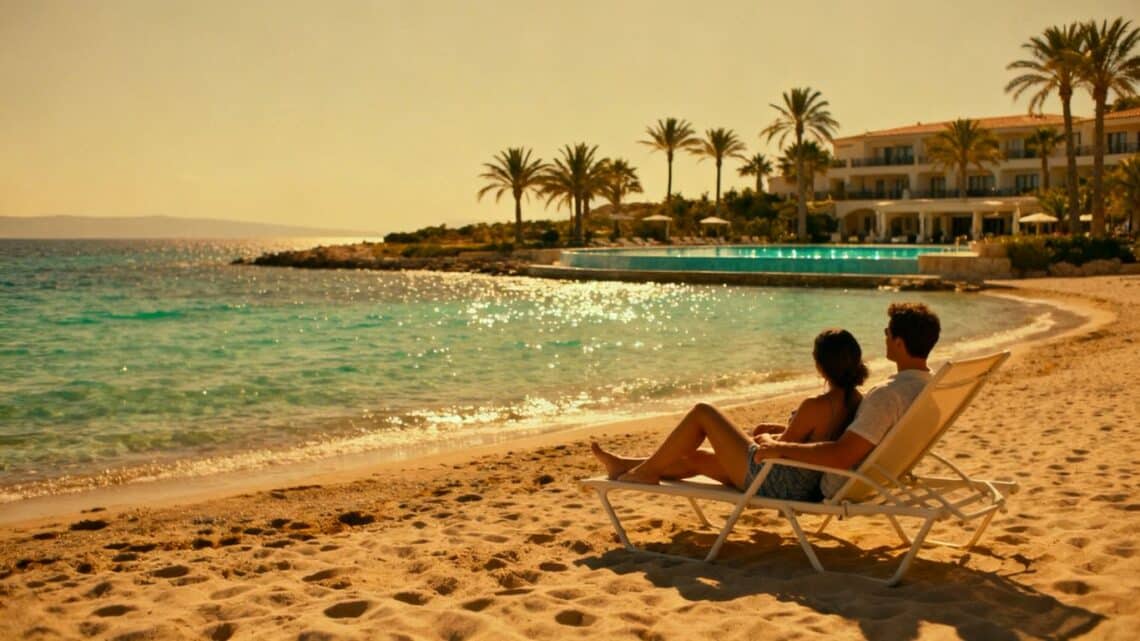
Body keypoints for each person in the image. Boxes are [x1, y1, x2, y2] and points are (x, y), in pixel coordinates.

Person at [591, 328, 870, 502]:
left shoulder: (815, 404)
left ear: (820, 366)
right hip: (802, 483)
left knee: (704, 412)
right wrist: (776, 434)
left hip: (775, 481)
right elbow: (812, 441)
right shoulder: (857, 401)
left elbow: (779, 453)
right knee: (692, 456)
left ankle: (647, 472)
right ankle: (624, 465)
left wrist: (768, 438)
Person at [752, 301, 941, 499]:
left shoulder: (886, 397)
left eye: (887, 332)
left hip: (836, 484)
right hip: (880, 478)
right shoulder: (929, 388)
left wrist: (778, 447)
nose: (885, 337)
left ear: (899, 343)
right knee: (760, 433)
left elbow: (840, 456)